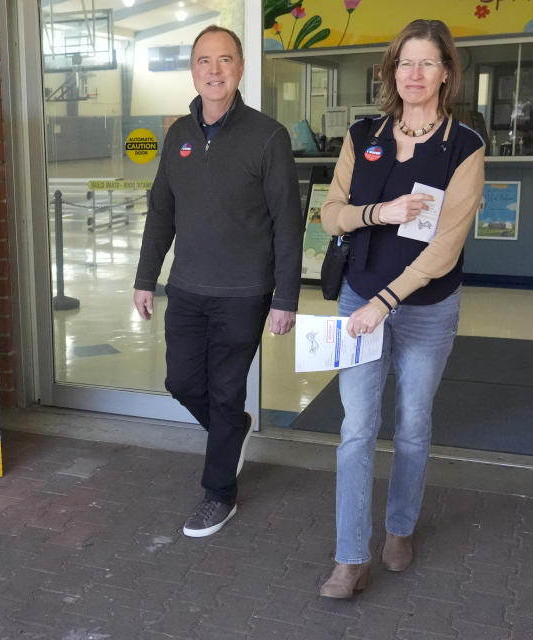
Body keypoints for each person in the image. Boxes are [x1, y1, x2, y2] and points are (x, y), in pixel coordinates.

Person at [317, 19, 484, 597]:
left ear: (445, 73)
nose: (414, 74)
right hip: (359, 296)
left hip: (425, 308)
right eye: (404, 63)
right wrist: (379, 213)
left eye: (427, 64)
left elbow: (446, 247)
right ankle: (348, 557)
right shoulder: (364, 133)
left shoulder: (463, 146)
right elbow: (331, 213)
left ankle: (400, 529)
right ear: (391, 71)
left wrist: (387, 303)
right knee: (357, 429)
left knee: (412, 426)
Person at [133, 25, 304, 538]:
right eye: (204, 60)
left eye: (224, 59)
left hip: (244, 292)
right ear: (192, 69)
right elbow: (161, 211)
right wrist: (146, 278)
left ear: (240, 68)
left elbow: (287, 223)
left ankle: (218, 494)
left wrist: (286, 297)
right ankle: (234, 432)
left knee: (226, 392)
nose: (214, 70)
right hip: (186, 287)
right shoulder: (178, 135)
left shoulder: (267, 136)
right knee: (182, 382)